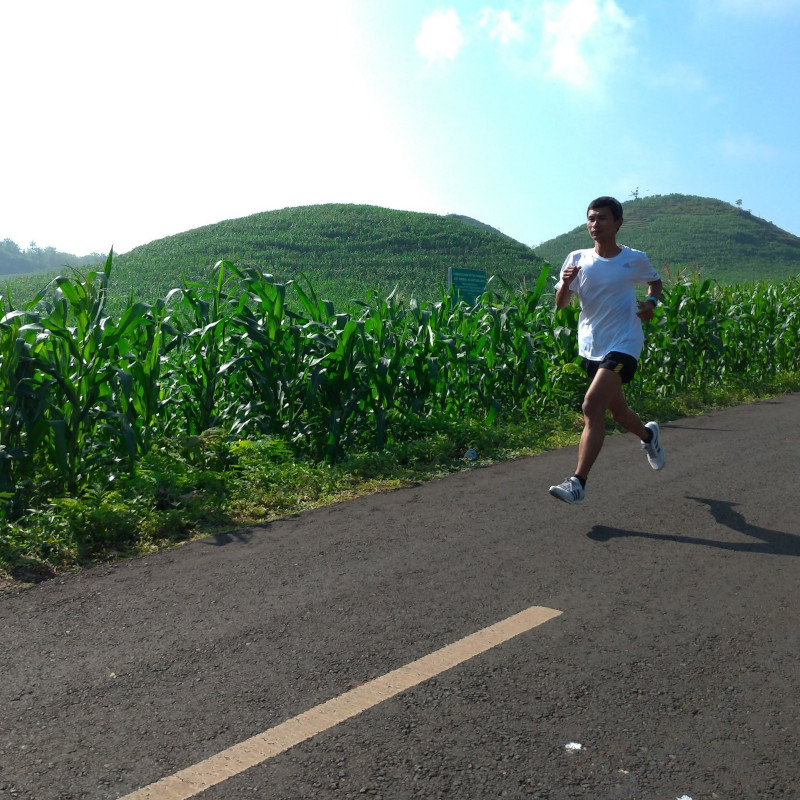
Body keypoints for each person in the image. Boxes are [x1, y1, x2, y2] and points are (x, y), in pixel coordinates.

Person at [549, 196, 666, 505]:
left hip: (624, 343)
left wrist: (651, 303)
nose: (595, 224)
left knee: (591, 407)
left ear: (618, 223)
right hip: (591, 347)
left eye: (602, 218)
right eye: (591, 218)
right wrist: (565, 284)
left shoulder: (633, 259)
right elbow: (561, 305)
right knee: (618, 413)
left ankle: (578, 482)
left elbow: (655, 283)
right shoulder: (577, 258)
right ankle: (648, 436)